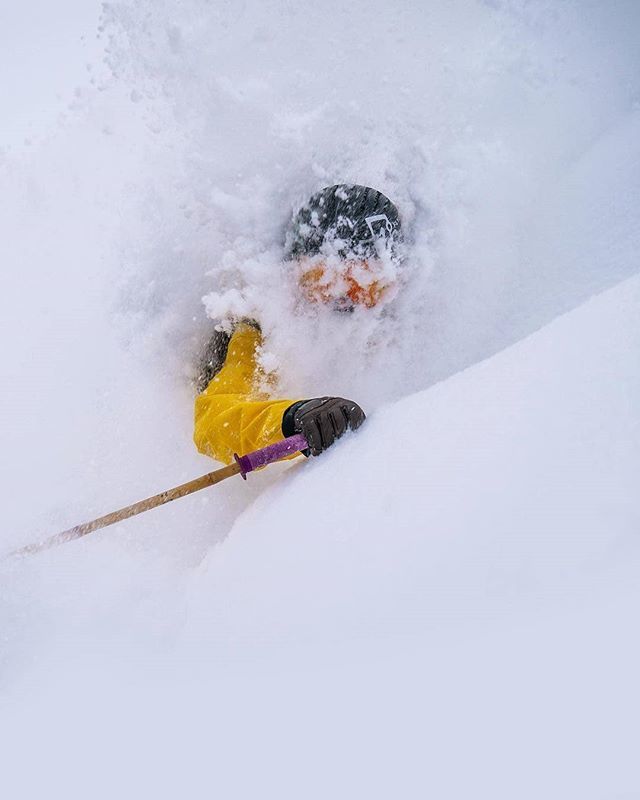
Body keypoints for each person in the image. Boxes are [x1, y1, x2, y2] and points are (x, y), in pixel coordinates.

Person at [193, 183, 403, 463]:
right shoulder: (262, 332)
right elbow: (214, 422)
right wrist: (291, 419)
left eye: (363, 284)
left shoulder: (404, 323)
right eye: (324, 279)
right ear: (294, 272)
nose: (342, 299)